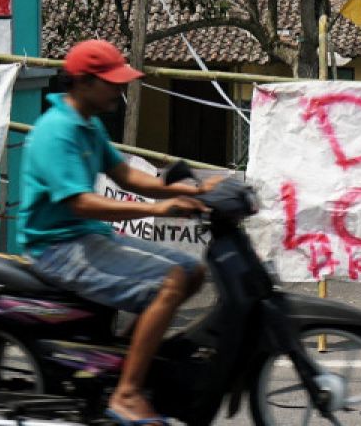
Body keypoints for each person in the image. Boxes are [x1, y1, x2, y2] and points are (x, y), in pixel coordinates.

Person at [19, 39, 221, 426]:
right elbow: (80, 203)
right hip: (57, 247)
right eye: (112, 81)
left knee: (192, 270)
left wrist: (190, 190)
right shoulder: (57, 131)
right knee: (172, 281)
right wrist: (156, 209)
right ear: (83, 82)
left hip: (86, 236)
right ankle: (126, 393)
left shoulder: (88, 125)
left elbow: (125, 175)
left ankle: (120, 364)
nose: (120, 88)